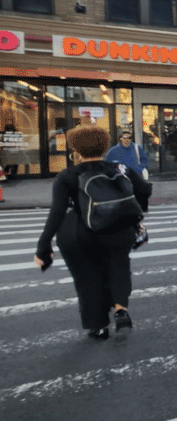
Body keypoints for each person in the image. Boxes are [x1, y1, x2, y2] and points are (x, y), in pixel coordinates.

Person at [33, 125, 151, 339]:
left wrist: (44, 245)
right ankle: (120, 308)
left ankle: (99, 326)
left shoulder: (67, 175)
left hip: (79, 232)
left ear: (75, 149)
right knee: (119, 266)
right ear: (105, 147)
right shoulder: (119, 168)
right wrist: (138, 217)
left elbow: (57, 212)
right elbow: (144, 189)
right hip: (118, 228)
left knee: (87, 278)